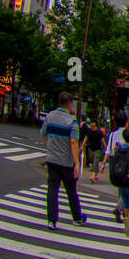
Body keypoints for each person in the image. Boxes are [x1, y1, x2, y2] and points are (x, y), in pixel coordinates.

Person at [40, 91, 88, 231]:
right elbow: (73, 142)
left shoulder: (49, 116)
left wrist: (49, 147)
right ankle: (77, 217)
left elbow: (43, 133)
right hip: (67, 162)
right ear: (69, 104)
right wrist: (77, 163)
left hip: (52, 159)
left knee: (52, 189)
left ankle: (52, 220)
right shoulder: (71, 121)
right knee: (71, 191)